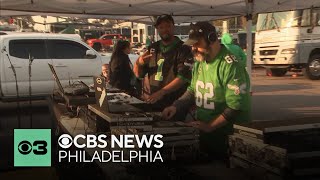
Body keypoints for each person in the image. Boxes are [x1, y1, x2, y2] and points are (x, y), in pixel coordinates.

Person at [162, 22, 251, 159]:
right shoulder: (200, 62)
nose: (193, 49)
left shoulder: (230, 65)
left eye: (197, 44)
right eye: (192, 44)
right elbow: (193, 89)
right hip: (206, 137)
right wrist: (176, 106)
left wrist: (210, 126)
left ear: (212, 39)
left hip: (228, 140)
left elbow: (235, 106)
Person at [133, 14, 194, 114]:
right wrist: (140, 62)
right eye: (161, 27)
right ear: (157, 29)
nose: (165, 29)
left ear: (173, 27)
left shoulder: (183, 48)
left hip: (175, 103)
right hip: (154, 102)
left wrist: (161, 92)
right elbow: (138, 75)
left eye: (168, 26)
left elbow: (183, 78)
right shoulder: (153, 47)